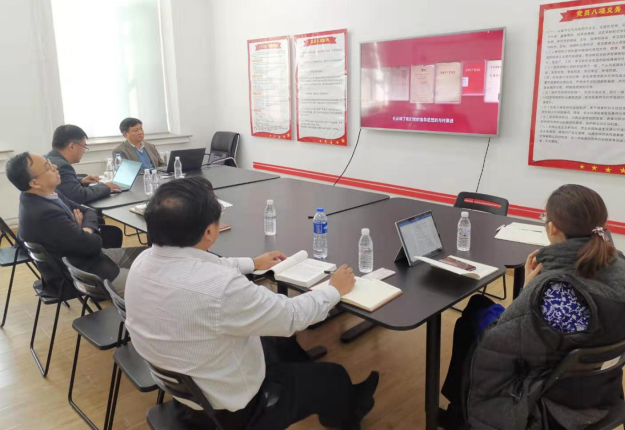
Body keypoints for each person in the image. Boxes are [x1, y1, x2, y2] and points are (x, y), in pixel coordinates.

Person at [125, 177, 379, 429]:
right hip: (237, 407)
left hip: (187, 384)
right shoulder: (221, 288)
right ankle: (350, 413)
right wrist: (334, 289)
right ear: (210, 231)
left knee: (278, 340)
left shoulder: (143, 261)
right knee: (333, 376)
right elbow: (291, 315)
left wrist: (253, 263)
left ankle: (305, 373)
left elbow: (206, 265)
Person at [440, 185, 625, 430]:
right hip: (600, 383)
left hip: (555, 395)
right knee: (478, 305)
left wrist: (527, 289)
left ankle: (460, 414)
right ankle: (458, 410)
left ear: (552, 228)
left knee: (473, 320)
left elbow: (501, 346)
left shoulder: (555, 292)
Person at [5, 153, 144, 296]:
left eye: (50, 162)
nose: (55, 166)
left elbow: (88, 211)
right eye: (48, 167)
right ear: (34, 183)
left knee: (149, 255)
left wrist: (83, 229)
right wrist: (85, 229)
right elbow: (94, 245)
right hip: (85, 274)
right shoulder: (44, 213)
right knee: (154, 281)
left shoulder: (42, 195)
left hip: (91, 259)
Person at [45, 124, 120, 204]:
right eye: (84, 146)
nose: (84, 151)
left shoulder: (47, 158)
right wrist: (105, 187)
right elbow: (79, 196)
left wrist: (81, 180)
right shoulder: (63, 166)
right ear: (72, 146)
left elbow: (64, 181)